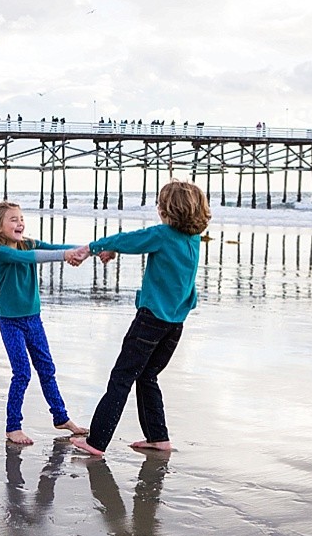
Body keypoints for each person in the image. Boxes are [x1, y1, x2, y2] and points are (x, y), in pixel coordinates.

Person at [70, 180, 211, 457]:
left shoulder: (163, 234)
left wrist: (93, 247)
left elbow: (130, 240)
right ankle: (158, 437)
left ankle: (96, 442)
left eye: (160, 204)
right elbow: (134, 244)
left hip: (151, 319)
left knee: (121, 377)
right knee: (148, 376)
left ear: (166, 211)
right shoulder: (192, 238)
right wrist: (112, 249)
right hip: (175, 324)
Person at [0, 201, 89, 445]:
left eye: (21, 218)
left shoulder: (28, 242)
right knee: (22, 372)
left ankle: (61, 417)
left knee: (47, 369)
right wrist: (65, 256)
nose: (20, 223)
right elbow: (31, 258)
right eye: (13, 219)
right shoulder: (2, 252)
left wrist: (88, 249)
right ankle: (12, 427)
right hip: (10, 321)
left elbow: (56, 246)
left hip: (33, 318)